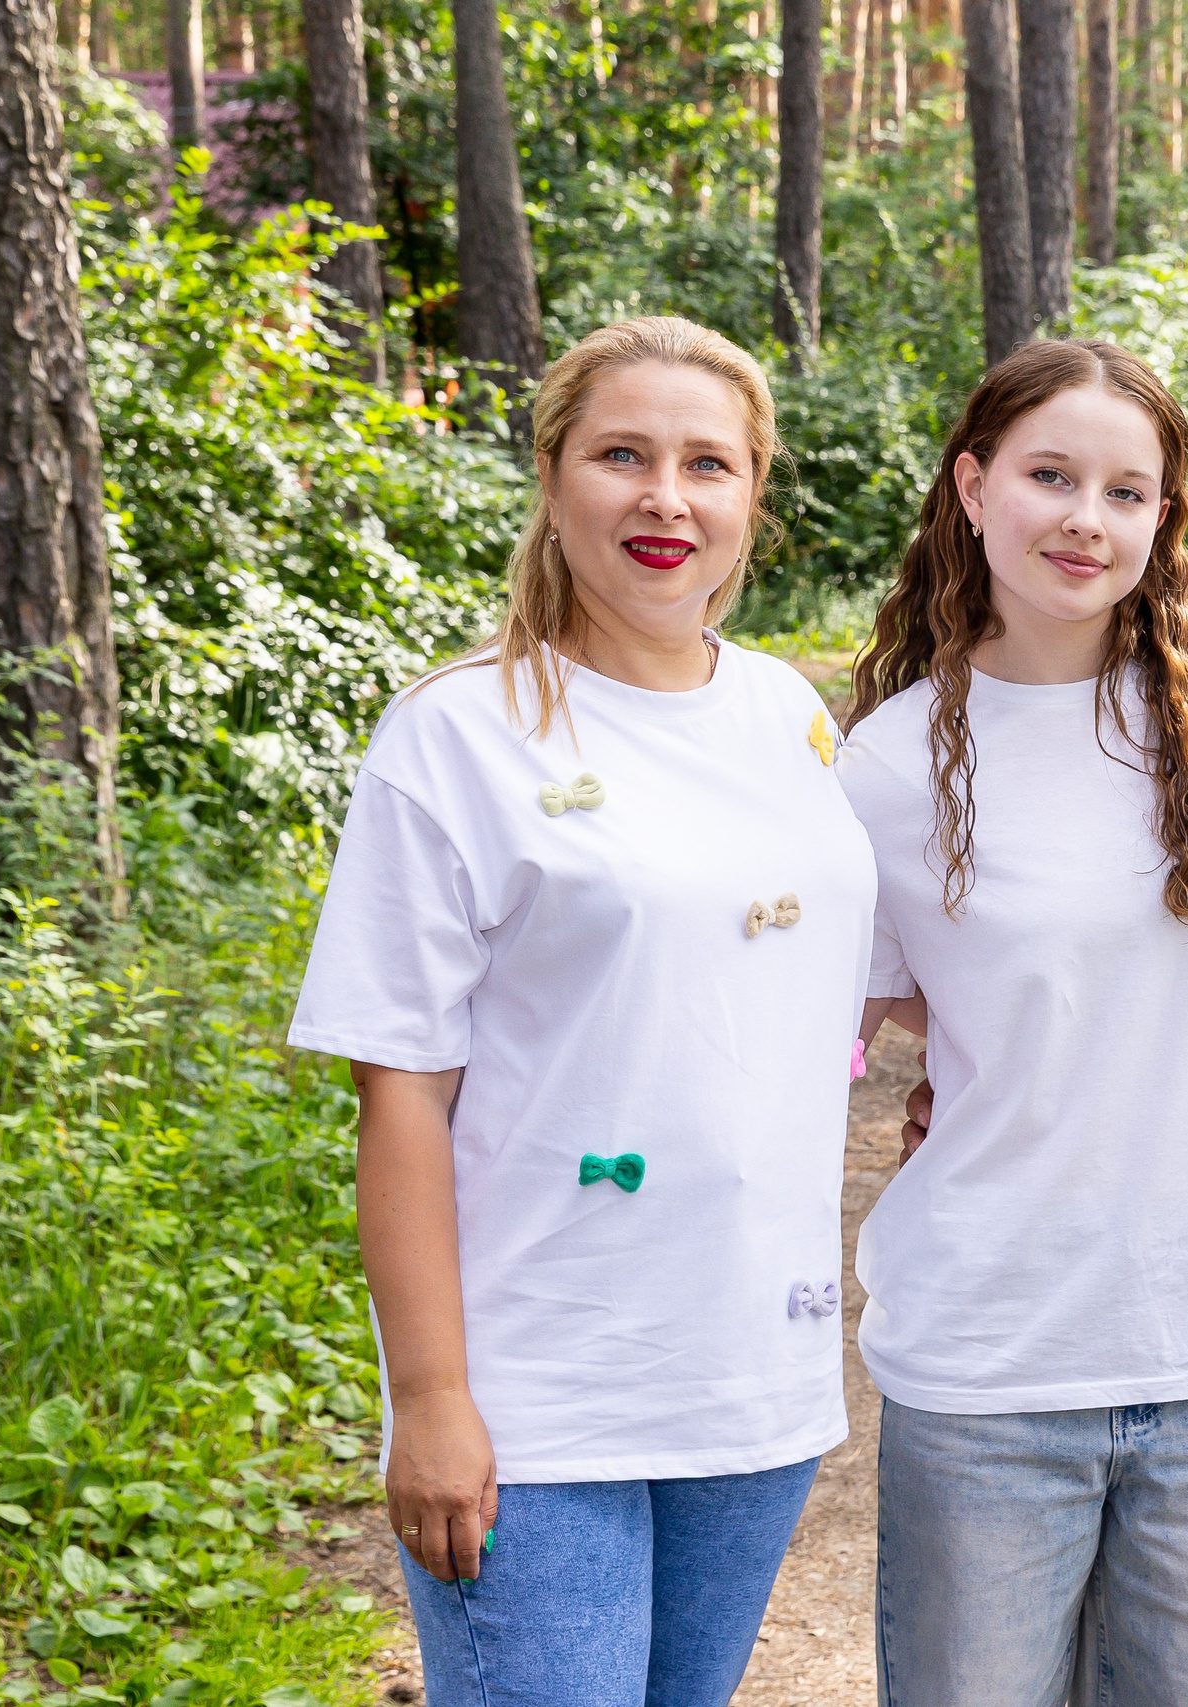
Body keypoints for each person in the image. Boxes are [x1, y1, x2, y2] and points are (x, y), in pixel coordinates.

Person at [287, 317, 877, 1706]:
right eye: (623, 455)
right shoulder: (458, 733)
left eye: (708, 464)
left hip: (751, 1377)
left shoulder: (790, 719)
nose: (667, 498)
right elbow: (401, 1096)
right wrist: (431, 1402)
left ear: (753, 496)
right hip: (536, 1396)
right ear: (554, 479)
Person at [836, 339, 1188, 1707]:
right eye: (1050, 476)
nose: (1086, 518)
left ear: (1163, 520)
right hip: (988, 1364)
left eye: (1129, 491)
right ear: (972, 484)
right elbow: (850, 1033)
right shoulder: (883, 770)